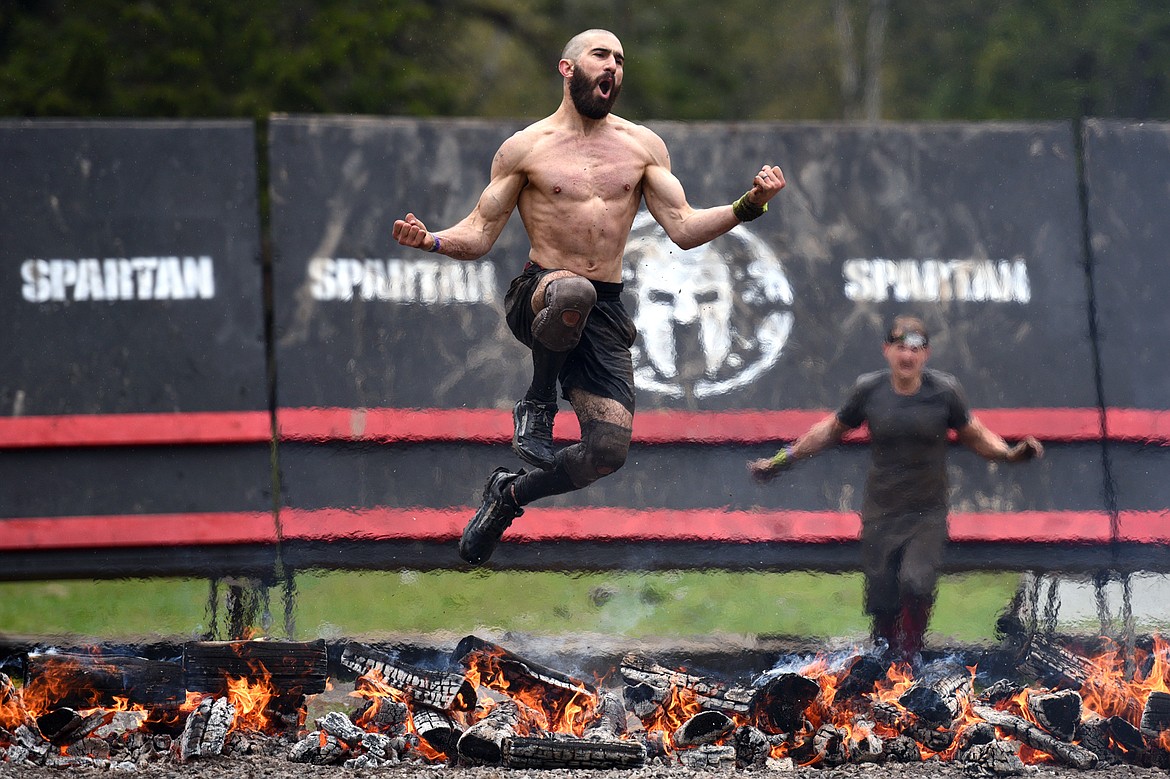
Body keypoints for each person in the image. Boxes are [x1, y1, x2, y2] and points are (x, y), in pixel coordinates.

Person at [393, 29, 786, 565]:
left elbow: (685, 227)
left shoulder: (642, 147)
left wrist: (751, 202)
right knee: (571, 288)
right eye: (601, 56)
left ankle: (509, 495)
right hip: (540, 293)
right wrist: (432, 240)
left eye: (621, 60)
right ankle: (537, 402)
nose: (613, 68)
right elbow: (481, 233)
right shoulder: (525, 149)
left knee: (607, 453)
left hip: (603, 309)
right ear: (567, 68)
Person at [748, 315, 1044, 664]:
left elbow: (976, 436)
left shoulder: (944, 392)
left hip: (927, 513)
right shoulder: (869, 391)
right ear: (886, 351)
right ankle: (884, 660)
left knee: (916, 583)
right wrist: (782, 461)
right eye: (900, 348)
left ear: (926, 354)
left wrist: (1011, 455)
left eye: (915, 349)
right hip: (881, 512)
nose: (907, 356)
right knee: (882, 595)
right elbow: (827, 431)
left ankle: (910, 657)